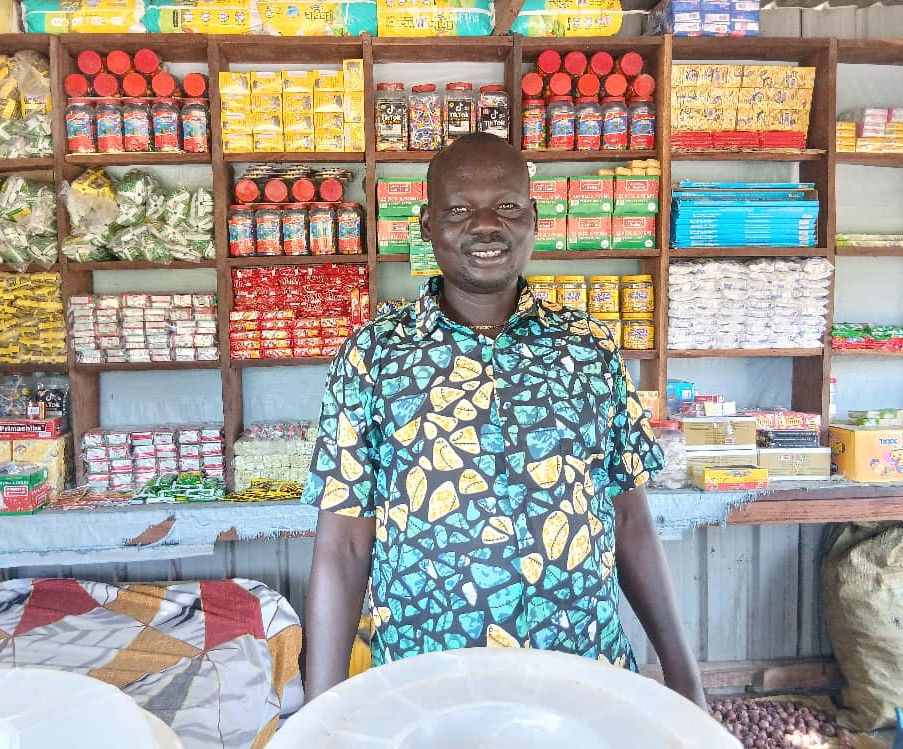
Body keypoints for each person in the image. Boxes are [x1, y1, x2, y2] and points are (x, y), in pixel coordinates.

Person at [301, 132, 704, 707]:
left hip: (581, 673)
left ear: (534, 219)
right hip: (430, 684)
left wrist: (686, 681)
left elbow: (631, 523)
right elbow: (341, 549)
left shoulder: (587, 348)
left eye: (507, 207)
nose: (485, 225)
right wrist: (324, 714)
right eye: (460, 210)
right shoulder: (374, 355)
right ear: (426, 226)